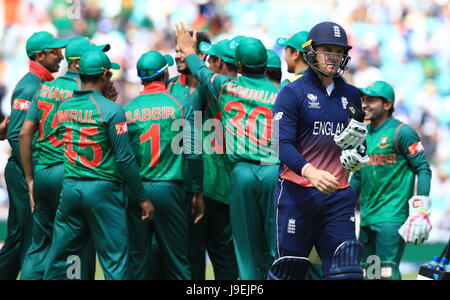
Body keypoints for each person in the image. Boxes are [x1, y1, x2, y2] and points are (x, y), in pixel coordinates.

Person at [175, 22, 280, 280]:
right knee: (274, 244)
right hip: (273, 170)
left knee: (244, 248)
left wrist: (189, 51)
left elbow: (200, 71)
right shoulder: (283, 92)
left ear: (239, 65)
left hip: (241, 173)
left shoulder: (225, 86)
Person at [43, 50, 154, 280]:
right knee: (114, 260)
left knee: (60, 258)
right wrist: (142, 197)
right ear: (104, 76)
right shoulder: (113, 111)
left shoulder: (64, 107)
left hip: (71, 187)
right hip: (103, 190)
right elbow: (124, 159)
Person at [272, 21, 369, 280]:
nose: (334, 57)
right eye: (327, 49)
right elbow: (280, 144)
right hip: (297, 195)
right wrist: (310, 172)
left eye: (339, 51)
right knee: (288, 272)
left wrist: (359, 155)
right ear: (311, 51)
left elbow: (359, 141)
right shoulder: (292, 92)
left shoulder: (352, 94)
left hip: (339, 197)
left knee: (347, 273)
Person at [18, 37, 112, 280]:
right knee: (75, 246)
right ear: (80, 64)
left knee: (38, 247)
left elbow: (25, 133)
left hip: (42, 172)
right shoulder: (82, 95)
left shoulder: (45, 87)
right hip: (69, 173)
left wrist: (29, 178)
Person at [124, 50, 203, 280]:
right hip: (170, 189)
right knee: (178, 263)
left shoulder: (128, 110)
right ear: (165, 74)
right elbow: (194, 153)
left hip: (138, 191)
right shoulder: (180, 106)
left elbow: (123, 158)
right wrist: (197, 190)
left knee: (137, 264)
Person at [0, 31, 68, 280]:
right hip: (23, 171)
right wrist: (33, 175)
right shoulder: (31, 86)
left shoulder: (37, 85)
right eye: (55, 52)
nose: (61, 57)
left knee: (19, 238)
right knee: (31, 238)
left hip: (23, 169)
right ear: (40, 55)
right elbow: (17, 135)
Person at [350, 81, 432, 280]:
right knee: (368, 274)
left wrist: (421, 209)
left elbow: (423, 169)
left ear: (387, 105)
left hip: (392, 217)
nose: (365, 104)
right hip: (368, 217)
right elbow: (359, 176)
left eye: (371, 100)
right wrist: (341, 205)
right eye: (363, 100)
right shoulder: (362, 134)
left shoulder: (402, 132)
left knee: (386, 273)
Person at [187, 38, 239, 280]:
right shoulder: (246, 89)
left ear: (218, 62)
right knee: (227, 260)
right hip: (233, 187)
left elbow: (188, 126)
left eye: (210, 60)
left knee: (192, 258)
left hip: (205, 185)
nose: (207, 64)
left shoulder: (207, 88)